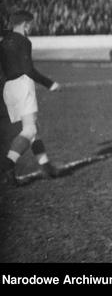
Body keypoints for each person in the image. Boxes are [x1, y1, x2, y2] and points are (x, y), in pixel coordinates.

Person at [0, 10, 61, 186]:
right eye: (30, 24)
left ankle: (46, 166)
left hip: (8, 88)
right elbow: (28, 70)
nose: (31, 27)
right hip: (22, 85)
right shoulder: (25, 41)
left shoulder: (5, 39)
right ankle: (7, 165)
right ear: (25, 24)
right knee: (30, 130)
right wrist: (50, 84)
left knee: (34, 127)